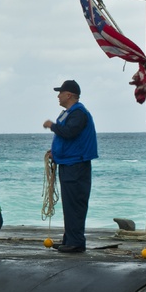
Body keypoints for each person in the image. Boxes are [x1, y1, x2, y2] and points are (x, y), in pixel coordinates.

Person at [43, 79, 98, 254]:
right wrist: (55, 153)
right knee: (69, 204)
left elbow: (69, 133)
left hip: (76, 164)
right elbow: (67, 137)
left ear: (69, 95)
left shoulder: (78, 113)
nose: (58, 96)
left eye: (60, 93)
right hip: (67, 163)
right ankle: (70, 238)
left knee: (75, 203)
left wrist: (52, 125)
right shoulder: (69, 113)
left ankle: (76, 242)